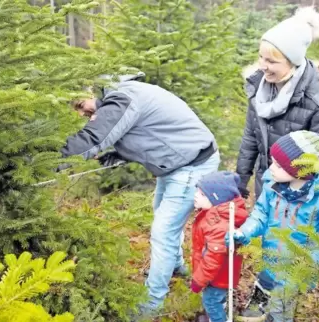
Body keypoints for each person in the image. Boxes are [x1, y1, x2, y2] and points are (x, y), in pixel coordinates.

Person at [60, 76, 220, 318]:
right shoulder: (118, 97)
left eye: (81, 105)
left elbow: (94, 138)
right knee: (164, 219)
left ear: (90, 89)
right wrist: (113, 156)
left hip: (191, 163)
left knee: (163, 232)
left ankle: (150, 305)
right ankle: (176, 266)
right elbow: (144, 133)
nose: (82, 113)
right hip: (175, 163)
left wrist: (48, 162)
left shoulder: (121, 99)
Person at [228, 128, 319, 322]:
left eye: (278, 165)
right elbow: (260, 214)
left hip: (294, 273)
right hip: (269, 260)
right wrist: (244, 232)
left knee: (280, 311)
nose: (271, 167)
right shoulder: (271, 185)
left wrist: (310, 263)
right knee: (259, 295)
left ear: (301, 170)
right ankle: (254, 313)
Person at [236, 6, 319, 199]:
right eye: (261, 57)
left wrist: (305, 196)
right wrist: (240, 180)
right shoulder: (258, 89)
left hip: (300, 196)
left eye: (271, 61)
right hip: (266, 188)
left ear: (292, 61)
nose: (263, 66)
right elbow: (250, 138)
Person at [190, 171, 248, 322]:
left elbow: (212, 260)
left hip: (219, 276)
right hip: (215, 275)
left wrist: (198, 281)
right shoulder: (212, 215)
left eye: (202, 194)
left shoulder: (219, 225)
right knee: (215, 299)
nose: (195, 195)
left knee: (211, 301)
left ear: (216, 199)